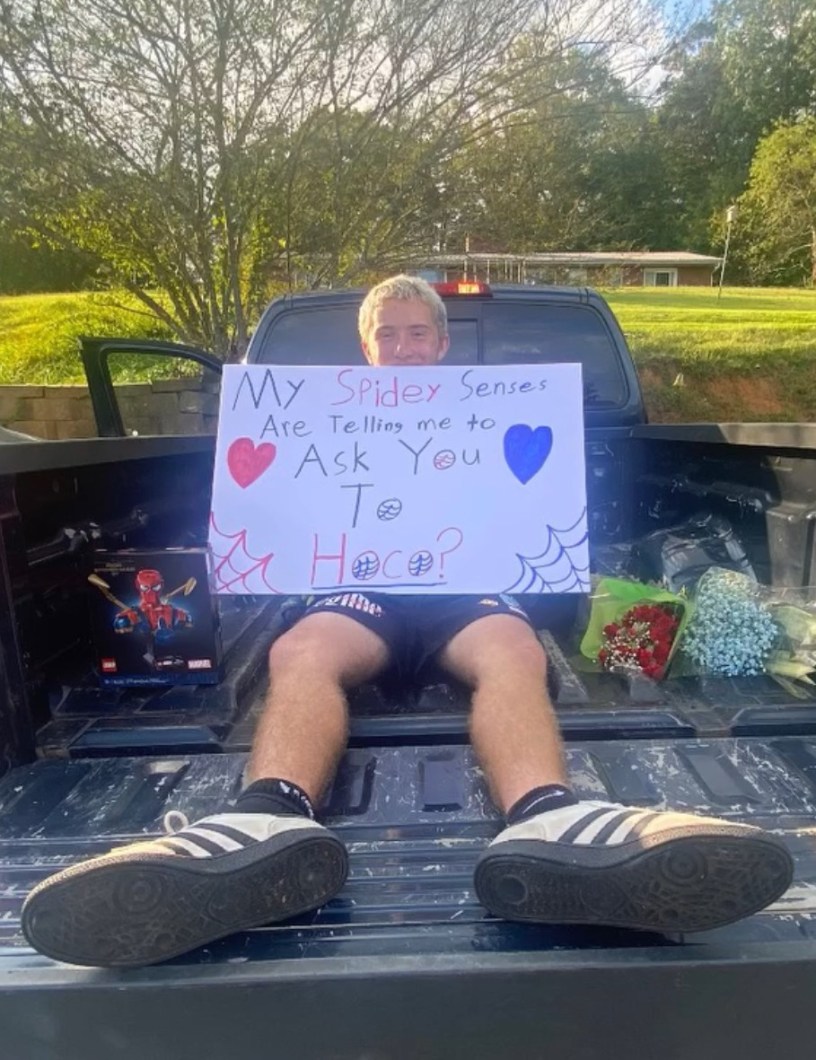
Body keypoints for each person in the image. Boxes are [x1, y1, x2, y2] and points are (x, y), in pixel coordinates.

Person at [22, 276, 793, 968]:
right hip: (363, 588)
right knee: (303, 649)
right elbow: (278, 513)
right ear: (367, 347)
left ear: (441, 342)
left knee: (513, 648)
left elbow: (532, 511)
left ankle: (548, 816)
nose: (403, 346)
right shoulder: (314, 419)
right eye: (387, 334)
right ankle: (265, 817)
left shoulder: (499, 412)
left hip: (464, 587)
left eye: (417, 332)